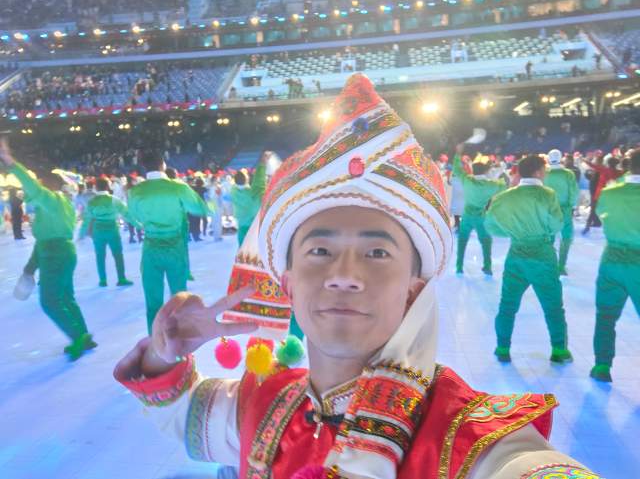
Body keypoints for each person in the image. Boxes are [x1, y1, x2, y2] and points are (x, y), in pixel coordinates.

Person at [113, 75, 599, 479]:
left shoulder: (466, 436)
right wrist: (163, 352)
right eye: (320, 251)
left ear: (413, 290)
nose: (344, 275)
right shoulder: (264, 404)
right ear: (288, 285)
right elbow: (181, 413)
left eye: (376, 253)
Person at [0, 138, 95, 361]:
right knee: (66, 297)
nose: (29, 192)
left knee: (50, 301)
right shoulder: (62, 204)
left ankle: (78, 337)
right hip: (62, 252)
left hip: (55, 254)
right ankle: (83, 334)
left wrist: (10, 162)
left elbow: (33, 189)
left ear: (47, 185)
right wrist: (30, 268)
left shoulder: (51, 200)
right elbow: (42, 241)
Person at [485, 154, 572, 364]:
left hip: (516, 254)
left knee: (507, 305)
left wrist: (513, 232)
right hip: (542, 256)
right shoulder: (547, 195)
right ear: (538, 172)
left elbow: (491, 225)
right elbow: (557, 224)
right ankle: (559, 350)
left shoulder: (505, 196)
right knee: (553, 306)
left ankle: (502, 347)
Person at [127, 150, 208, 333]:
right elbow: (199, 208)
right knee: (179, 297)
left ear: (144, 167)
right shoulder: (178, 187)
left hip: (151, 248)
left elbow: (134, 217)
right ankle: (180, 337)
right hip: (175, 248)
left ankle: (155, 340)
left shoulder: (135, 192)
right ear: (163, 164)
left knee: (153, 301)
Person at [590, 149, 640, 382]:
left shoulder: (610, 193)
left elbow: (602, 215)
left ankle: (602, 365)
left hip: (612, 261)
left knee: (606, 316)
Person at [452, 147, 506, 275]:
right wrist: (498, 171)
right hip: (481, 217)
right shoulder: (491, 185)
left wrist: (458, 154)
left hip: (466, 216)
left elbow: (456, 169)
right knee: (486, 241)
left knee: (462, 241)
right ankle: (487, 266)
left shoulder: (467, 180)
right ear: (486, 171)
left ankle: (459, 267)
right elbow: (504, 185)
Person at [80, 176, 136, 287]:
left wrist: (81, 234)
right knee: (118, 255)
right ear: (108, 186)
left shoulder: (92, 202)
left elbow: (86, 220)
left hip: (98, 231)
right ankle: (121, 278)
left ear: (96, 187)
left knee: (100, 256)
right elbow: (127, 214)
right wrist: (139, 225)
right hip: (112, 230)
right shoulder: (114, 200)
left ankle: (103, 280)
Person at [543, 149, 579, 275]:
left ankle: (549, 263)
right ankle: (561, 266)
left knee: (549, 237)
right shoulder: (568, 174)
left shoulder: (544, 173)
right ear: (561, 158)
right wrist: (572, 206)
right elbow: (573, 192)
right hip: (565, 209)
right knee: (566, 237)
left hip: (548, 209)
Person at [231, 154, 267, 245]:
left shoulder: (233, 191)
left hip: (241, 225)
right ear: (246, 179)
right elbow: (259, 183)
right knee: (254, 249)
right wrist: (262, 164)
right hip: (253, 226)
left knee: (242, 247)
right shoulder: (252, 194)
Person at [583, 154, 623, 234]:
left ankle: (587, 227)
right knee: (611, 213)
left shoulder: (604, 169)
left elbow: (592, 165)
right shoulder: (619, 172)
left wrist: (584, 160)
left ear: (608, 163)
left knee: (593, 211)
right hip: (611, 195)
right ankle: (614, 229)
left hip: (599, 195)